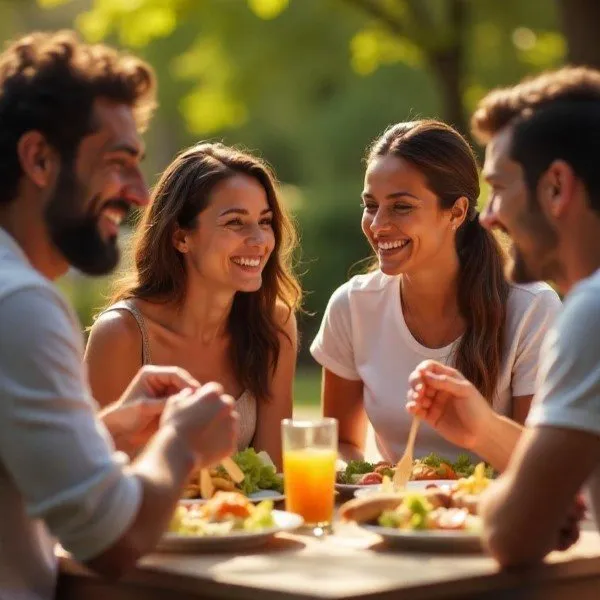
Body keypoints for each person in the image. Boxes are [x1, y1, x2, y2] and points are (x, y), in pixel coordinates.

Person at [0, 31, 239, 600]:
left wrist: (103, 429)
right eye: (118, 163)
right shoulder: (21, 304)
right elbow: (114, 542)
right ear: (38, 158)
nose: (139, 193)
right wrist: (180, 441)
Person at [406, 66, 600, 566]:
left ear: (556, 187)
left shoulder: (591, 312)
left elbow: (513, 537)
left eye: (498, 186)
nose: (488, 216)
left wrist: (494, 503)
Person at [310, 119, 561, 464]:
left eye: (401, 206)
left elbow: (546, 465)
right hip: (395, 515)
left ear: (456, 212)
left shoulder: (532, 309)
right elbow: (340, 444)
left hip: (496, 511)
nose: (379, 224)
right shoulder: (352, 306)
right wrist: (368, 481)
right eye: (370, 205)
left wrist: (481, 427)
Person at [84, 142, 301, 468]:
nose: (259, 240)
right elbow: (93, 479)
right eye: (235, 222)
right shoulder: (121, 335)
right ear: (181, 237)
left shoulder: (274, 324)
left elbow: (275, 474)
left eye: (265, 221)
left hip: (246, 519)